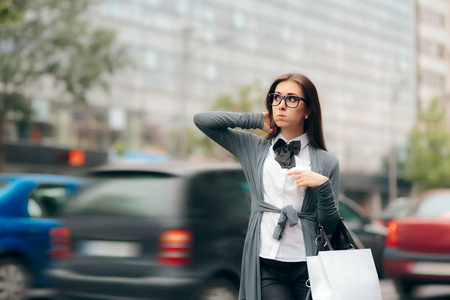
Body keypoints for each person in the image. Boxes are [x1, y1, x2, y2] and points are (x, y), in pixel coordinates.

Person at [194, 73, 340, 300]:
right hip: (267, 265)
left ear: (308, 109)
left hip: (309, 266)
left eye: (292, 99)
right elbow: (203, 121)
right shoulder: (254, 148)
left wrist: (324, 187)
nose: (281, 105)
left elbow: (330, 226)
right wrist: (255, 120)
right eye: (276, 97)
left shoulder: (327, 163)